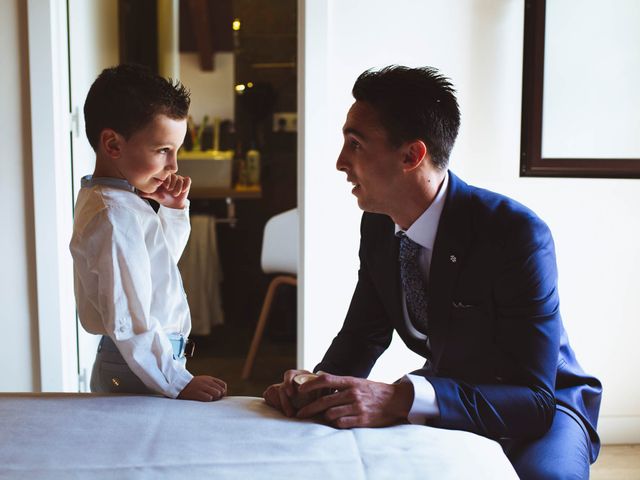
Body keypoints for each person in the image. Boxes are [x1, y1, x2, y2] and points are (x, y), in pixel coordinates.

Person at [264, 66, 602, 478]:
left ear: (411, 155)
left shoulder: (515, 233)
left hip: (543, 400)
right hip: (451, 384)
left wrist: (398, 398)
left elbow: (533, 399)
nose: (340, 162)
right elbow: (363, 335)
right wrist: (313, 390)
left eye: (355, 144)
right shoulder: (378, 224)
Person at [70, 64, 227, 402]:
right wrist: (176, 381)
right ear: (113, 144)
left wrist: (170, 211)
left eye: (177, 151)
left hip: (144, 362)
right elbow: (128, 314)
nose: (173, 166)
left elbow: (158, 269)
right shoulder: (114, 213)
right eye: (162, 151)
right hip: (136, 368)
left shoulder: (117, 201)